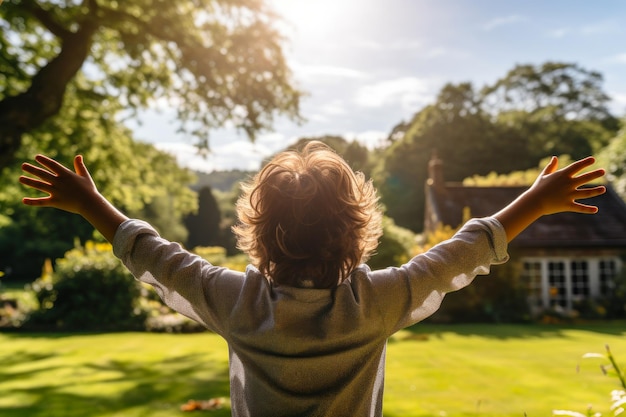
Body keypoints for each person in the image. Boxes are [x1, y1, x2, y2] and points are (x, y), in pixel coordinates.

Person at [19, 141, 606, 417]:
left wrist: (91, 202)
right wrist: (533, 200)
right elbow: (464, 250)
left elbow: (153, 253)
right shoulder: (378, 301)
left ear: (258, 230)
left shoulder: (235, 301)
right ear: (356, 231)